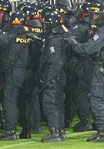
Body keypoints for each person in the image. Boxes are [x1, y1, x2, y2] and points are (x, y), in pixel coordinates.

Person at [70, 4, 104, 142]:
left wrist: (75, 44)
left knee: (98, 99)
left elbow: (89, 48)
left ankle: (102, 132)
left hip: (101, 68)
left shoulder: (103, 31)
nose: (93, 18)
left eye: (96, 15)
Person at [0, 12, 38, 140]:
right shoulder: (32, 37)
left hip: (14, 73)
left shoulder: (8, 37)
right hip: (29, 73)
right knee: (25, 102)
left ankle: (10, 131)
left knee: (10, 101)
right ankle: (27, 130)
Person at [37, 12, 68, 142]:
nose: (44, 27)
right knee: (58, 104)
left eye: (46, 24)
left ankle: (54, 132)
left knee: (50, 103)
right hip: (61, 75)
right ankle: (60, 131)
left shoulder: (54, 40)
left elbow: (56, 62)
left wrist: (49, 78)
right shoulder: (61, 36)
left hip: (54, 75)